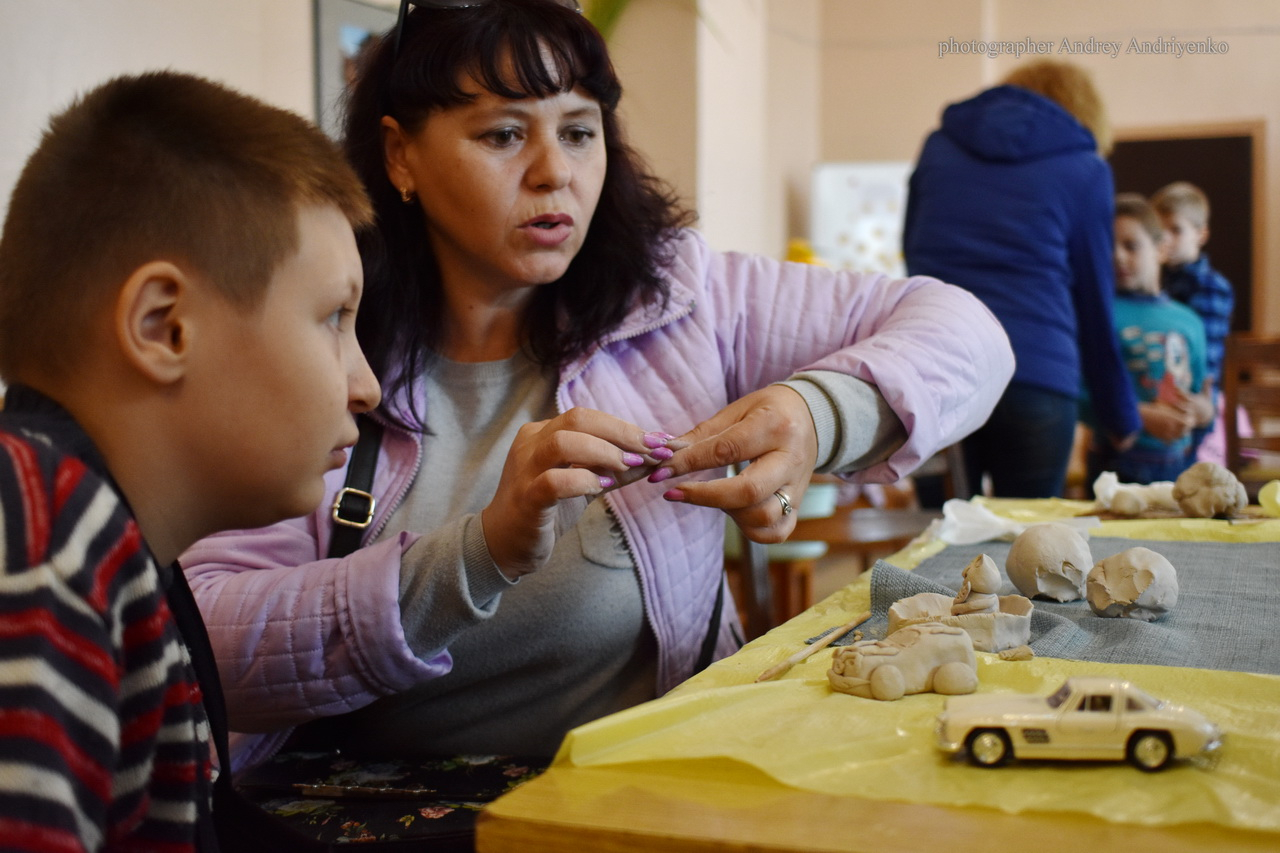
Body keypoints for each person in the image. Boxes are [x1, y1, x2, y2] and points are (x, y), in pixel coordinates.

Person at [182, 0, 1014, 770]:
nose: (555, 173)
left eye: (580, 132)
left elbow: (969, 332)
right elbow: (204, 638)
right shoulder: (323, 340)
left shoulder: (677, 299)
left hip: (643, 802)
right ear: (400, 155)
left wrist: (816, 415)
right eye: (504, 135)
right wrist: (478, 554)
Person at [0, 71, 379, 850]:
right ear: (165, 326)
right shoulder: (45, 535)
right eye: (333, 318)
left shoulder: (121, 551)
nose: (366, 384)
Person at [903, 58, 1141, 500]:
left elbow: (914, 255)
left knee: (934, 539)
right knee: (1033, 551)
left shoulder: (938, 147)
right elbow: (1093, 301)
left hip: (937, 368)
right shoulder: (1085, 168)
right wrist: (1120, 415)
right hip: (1037, 375)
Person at [1086, 194, 1208, 484]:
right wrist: (1139, 416)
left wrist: (1197, 411)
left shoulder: (1189, 320)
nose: (1118, 256)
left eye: (1131, 245)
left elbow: (1205, 394)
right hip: (1115, 464)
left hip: (1178, 463)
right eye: (1109, 247)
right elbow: (1080, 393)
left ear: (1161, 249)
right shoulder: (1098, 315)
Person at [1151, 181, 1234, 464]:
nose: (1165, 238)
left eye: (1176, 229)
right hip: (1154, 400)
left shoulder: (1211, 287)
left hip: (1190, 404)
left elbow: (1202, 362)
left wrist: (1196, 406)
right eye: (1159, 230)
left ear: (1201, 234)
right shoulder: (1154, 282)